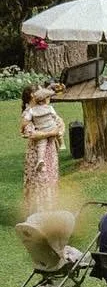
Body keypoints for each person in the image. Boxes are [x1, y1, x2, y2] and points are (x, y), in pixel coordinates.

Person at [19, 83, 63, 215]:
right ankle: (38, 213)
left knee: (50, 178)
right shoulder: (29, 113)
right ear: (33, 96)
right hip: (36, 153)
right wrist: (51, 133)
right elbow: (30, 134)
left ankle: (50, 211)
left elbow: (60, 124)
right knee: (39, 180)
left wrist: (57, 130)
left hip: (50, 151)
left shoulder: (45, 109)